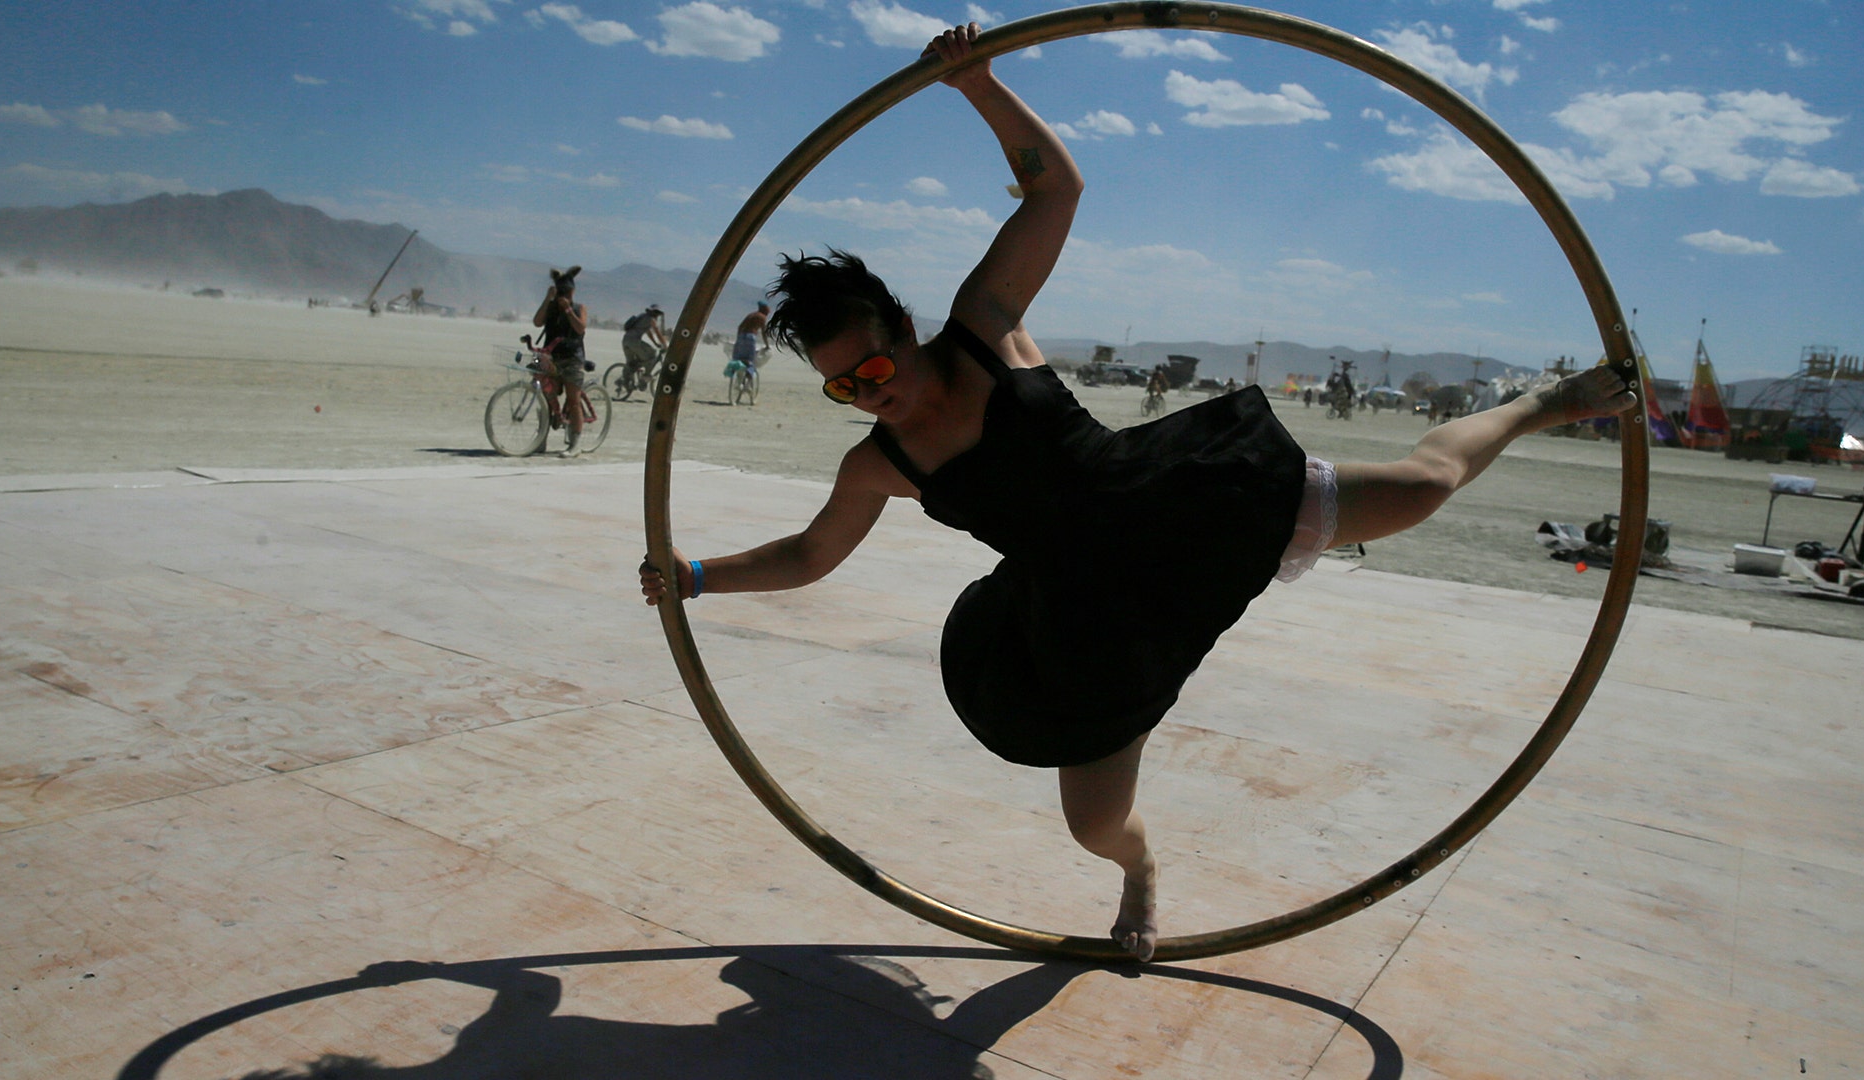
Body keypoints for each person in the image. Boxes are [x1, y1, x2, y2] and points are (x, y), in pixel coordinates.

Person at [638, 23, 1635, 962]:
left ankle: (1538, 403)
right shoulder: (877, 465)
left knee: (1420, 487)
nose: (875, 392)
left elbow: (1055, 194)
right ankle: (1141, 874)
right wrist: (696, 575)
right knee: (1093, 823)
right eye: (845, 386)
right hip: (1075, 623)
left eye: (877, 364)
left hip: (1182, 504)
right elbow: (811, 555)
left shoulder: (984, 325)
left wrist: (979, 85)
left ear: (899, 328)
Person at [533, 266, 588, 456]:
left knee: (574, 401)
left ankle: (575, 444)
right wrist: (548, 299)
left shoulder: (578, 308)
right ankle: (541, 440)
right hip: (551, 358)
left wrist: (568, 311)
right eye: (560, 292)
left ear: (572, 292)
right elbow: (537, 322)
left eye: (566, 292)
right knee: (546, 398)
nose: (563, 296)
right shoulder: (550, 307)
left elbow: (580, 328)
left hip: (572, 358)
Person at [622, 303, 668, 393]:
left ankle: (625, 382)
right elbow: (657, 332)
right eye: (657, 313)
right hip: (634, 342)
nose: (657, 316)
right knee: (652, 354)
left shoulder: (642, 317)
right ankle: (645, 377)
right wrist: (665, 345)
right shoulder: (651, 320)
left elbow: (649, 333)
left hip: (625, 341)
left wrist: (655, 343)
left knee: (632, 363)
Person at [731, 301, 770, 379]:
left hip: (741, 336)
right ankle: (749, 373)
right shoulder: (762, 317)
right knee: (750, 359)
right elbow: (763, 333)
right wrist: (767, 345)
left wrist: (738, 340)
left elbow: (740, 327)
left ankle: (734, 368)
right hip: (751, 337)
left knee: (738, 357)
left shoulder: (751, 315)